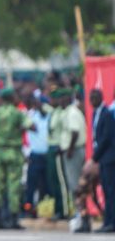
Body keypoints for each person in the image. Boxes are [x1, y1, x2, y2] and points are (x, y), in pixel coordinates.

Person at [0, 88, 30, 229]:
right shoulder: (17, 113)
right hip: (14, 151)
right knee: (14, 185)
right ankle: (13, 219)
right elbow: (30, 125)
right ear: (12, 98)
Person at [89, 89, 114, 233]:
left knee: (111, 191)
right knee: (106, 190)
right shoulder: (95, 114)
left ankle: (111, 222)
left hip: (110, 158)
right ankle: (107, 221)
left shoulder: (107, 114)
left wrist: (94, 158)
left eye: (94, 98)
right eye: (90, 98)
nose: (92, 101)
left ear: (101, 97)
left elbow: (106, 139)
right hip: (103, 158)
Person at [60, 90, 87, 221]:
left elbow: (75, 132)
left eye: (61, 98)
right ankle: (81, 213)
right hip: (75, 150)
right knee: (77, 184)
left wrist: (70, 149)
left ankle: (80, 215)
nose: (59, 101)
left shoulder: (71, 113)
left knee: (76, 184)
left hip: (74, 151)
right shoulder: (71, 111)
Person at [23, 94, 51, 218]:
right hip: (34, 155)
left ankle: (45, 207)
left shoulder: (51, 116)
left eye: (41, 103)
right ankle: (28, 208)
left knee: (46, 184)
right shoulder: (31, 116)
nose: (39, 105)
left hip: (47, 155)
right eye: (37, 103)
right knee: (31, 184)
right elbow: (26, 128)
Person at [46, 88, 70, 220]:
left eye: (53, 98)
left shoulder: (62, 114)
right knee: (53, 181)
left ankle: (64, 211)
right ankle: (57, 209)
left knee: (60, 181)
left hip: (58, 148)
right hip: (50, 148)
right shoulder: (53, 112)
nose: (51, 101)